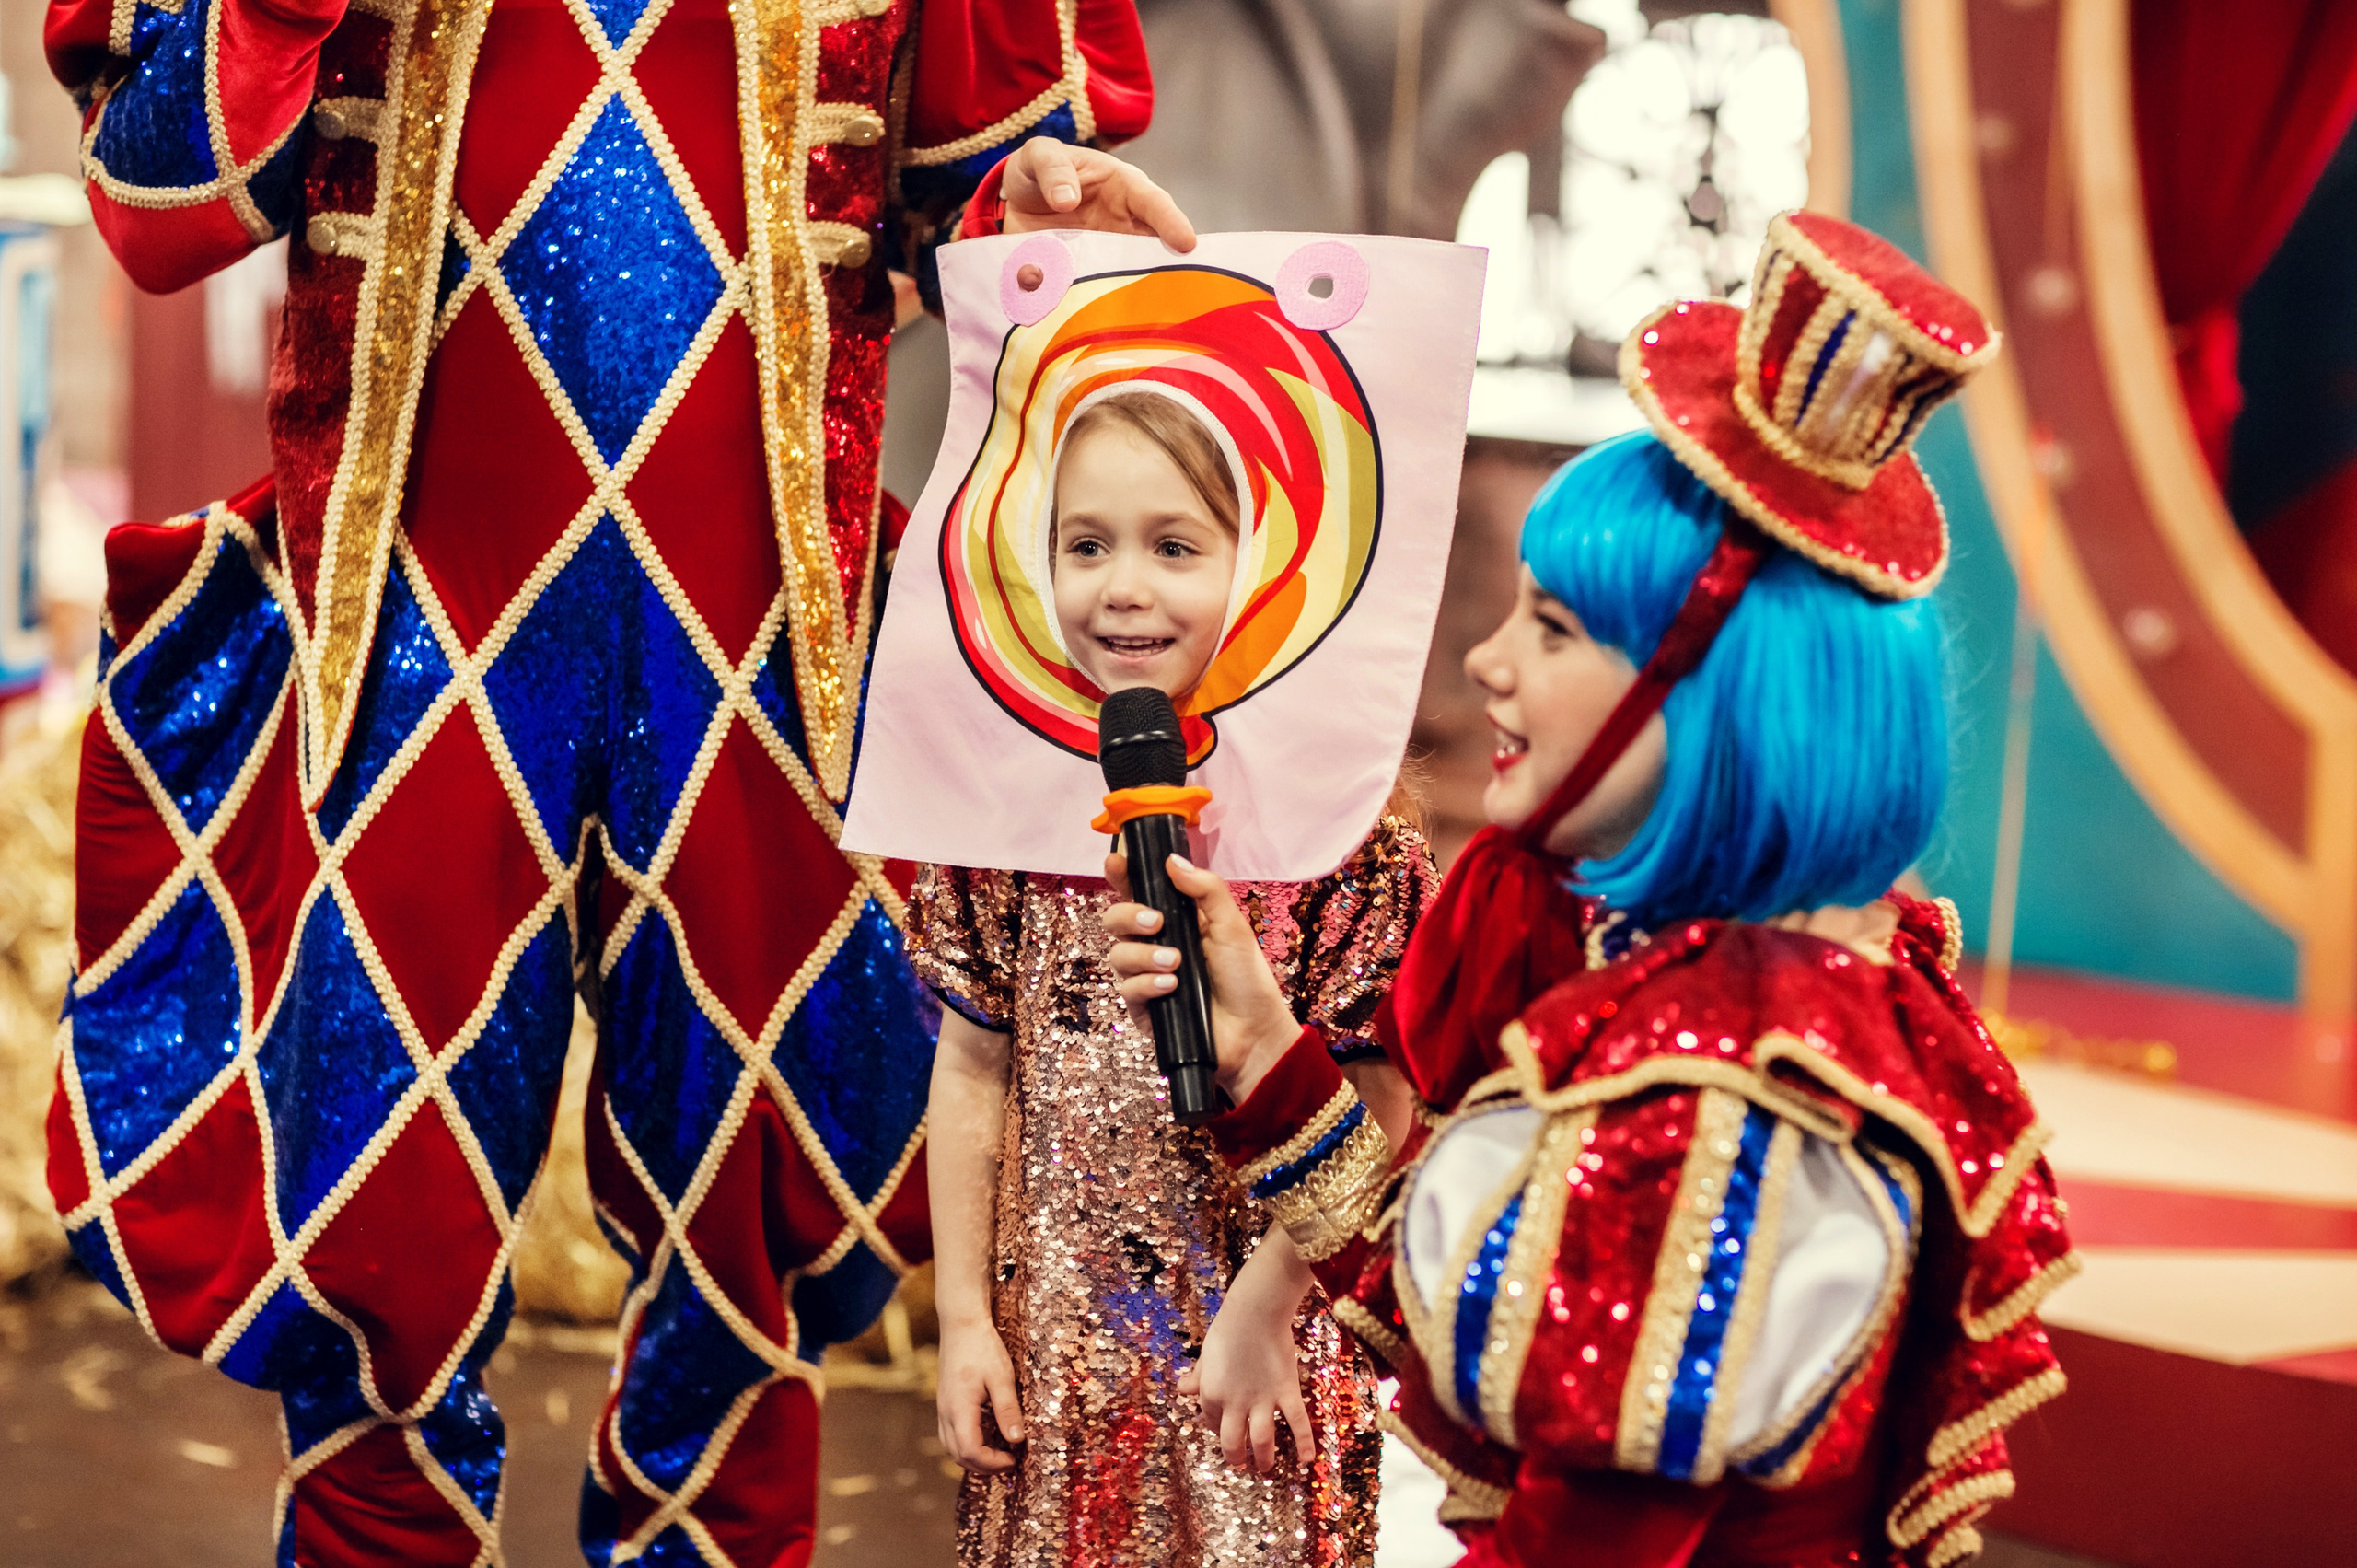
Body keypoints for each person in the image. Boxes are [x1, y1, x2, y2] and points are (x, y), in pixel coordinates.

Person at [40, 0, 1194, 1560]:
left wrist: (1026, 221)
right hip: (412, 631)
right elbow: (157, 198)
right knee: (382, 1203)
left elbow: (947, 196)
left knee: (751, 1224)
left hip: (768, 641)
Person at [1104, 212, 2078, 1568]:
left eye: (1553, 629)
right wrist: (1264, 1043)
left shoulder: (1718, 1098)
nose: (1489, 664)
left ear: (1720, 700)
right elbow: (1482, 1317)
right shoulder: (1786, 997)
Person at [911, 385, 1436, 1566]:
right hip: (1053, 1345)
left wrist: (1262, 1313)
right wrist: (960, 1320)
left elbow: (1383, 1091)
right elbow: (972, 1061)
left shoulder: (1352, 842)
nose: (1123, 585)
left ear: (1269, 561)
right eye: (1085, 543)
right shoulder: (1002, 825)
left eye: (1175, 545)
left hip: (1261, 1348)